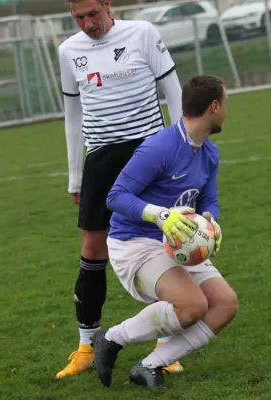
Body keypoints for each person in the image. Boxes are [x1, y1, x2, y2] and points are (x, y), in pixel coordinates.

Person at [56, 0, 185, 379]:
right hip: (101, 160)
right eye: (79, 17)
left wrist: (180, 151)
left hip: (149, 152)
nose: (88, 23)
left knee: (167, 243)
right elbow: (73, 115)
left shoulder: (142, 33)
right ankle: (86, 346)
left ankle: (167, 346)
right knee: (92, 250)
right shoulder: (68, 51)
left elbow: (173, 91)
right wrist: (75, 175)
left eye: (93, 14)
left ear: (108, 5)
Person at [90, 74, 238, 389]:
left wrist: (211, 222)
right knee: (193, 306)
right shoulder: (160, 147)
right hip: (135, 243)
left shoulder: (209, 153)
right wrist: (161, 216)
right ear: (214, 107)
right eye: (226, 103)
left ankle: (150, 365)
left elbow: (208, 200)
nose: (227, 110)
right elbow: (115, 197)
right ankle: (111, 339)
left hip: (176, 241)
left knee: (225, 304)